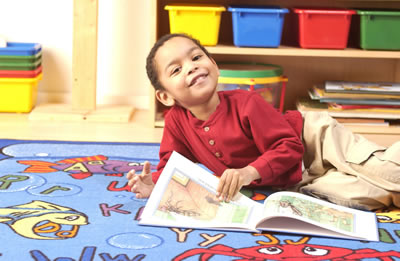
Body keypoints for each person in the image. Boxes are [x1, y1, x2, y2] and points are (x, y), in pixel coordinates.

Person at [127, 33, 400, 211]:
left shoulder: (247, 103)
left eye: (197, 57)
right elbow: (173, 165)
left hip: (313, 139)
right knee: (359, 198)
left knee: (384, 171)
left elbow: (290, 146)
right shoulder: (176, 121)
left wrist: (247, 172)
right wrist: (156, 186)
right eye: (176, 69)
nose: (191, 66)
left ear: (214, 65)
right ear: (164, 96)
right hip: (292, 178)